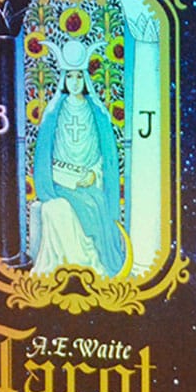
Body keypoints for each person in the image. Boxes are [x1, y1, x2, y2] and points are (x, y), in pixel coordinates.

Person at [31, 51, 126, 277]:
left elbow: (104, 156)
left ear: (86, 79)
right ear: (64, 79)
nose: (74, 82)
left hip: (88, 183)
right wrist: (59, 177)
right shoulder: (54, 112)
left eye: (79, 76)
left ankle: (89, 264)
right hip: (59, 183)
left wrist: (94, 174)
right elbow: (45, 154)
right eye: (70, 76)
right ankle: (72, 265)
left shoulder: (96, 113)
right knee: (60, 208)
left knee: (94, 205)